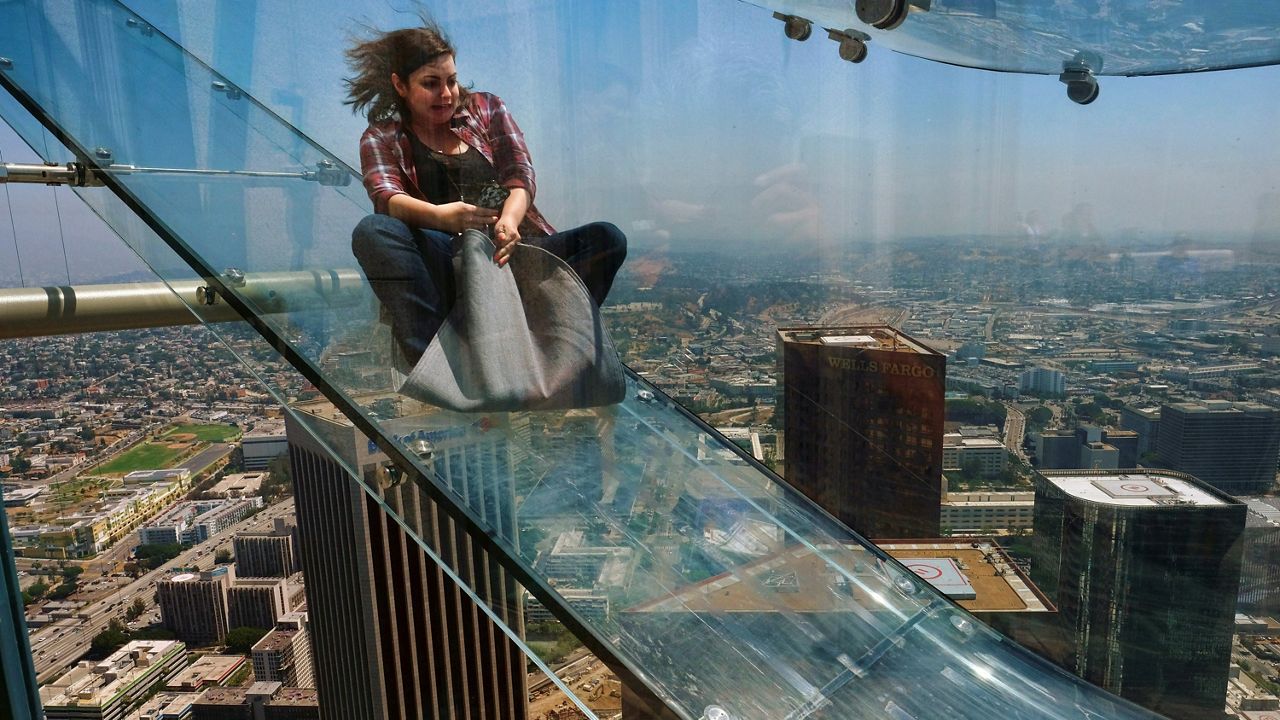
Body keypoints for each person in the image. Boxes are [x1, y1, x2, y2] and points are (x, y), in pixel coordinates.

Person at [346, 23, 627, 366]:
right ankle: (438, 361)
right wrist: (443, 218)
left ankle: (555, 349)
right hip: (450, 261)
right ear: (400, 85)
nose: (446, 94)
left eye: (451, 80)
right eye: (430, 84)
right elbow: (386, 198)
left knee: (607, 239)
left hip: (517, 252)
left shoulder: (486, 108)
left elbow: (520, 173)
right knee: (373, 232)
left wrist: (510, 221)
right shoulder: (381, 138)